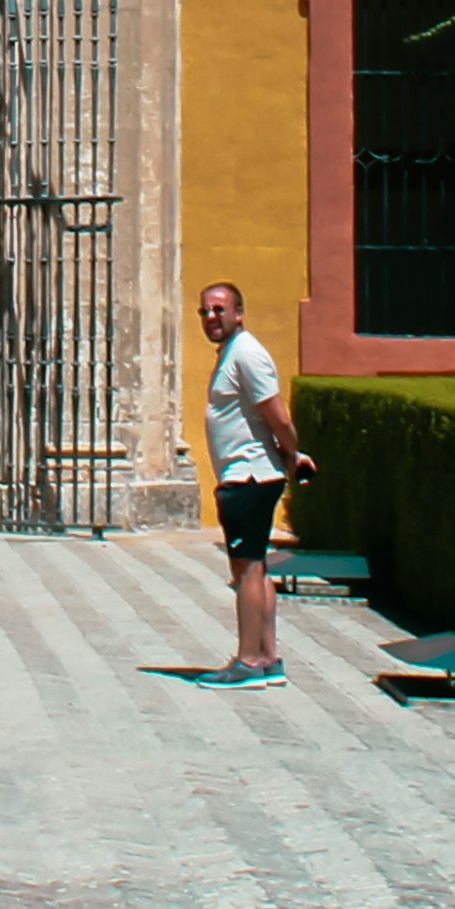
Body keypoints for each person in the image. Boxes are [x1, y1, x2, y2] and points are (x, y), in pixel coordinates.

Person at [190, 281, 307, 688]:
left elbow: (278, 416)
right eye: (205, 311)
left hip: (250, 477)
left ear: (239, 313)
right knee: (256, 568)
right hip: (246, 476)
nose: (211, 317)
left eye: (219, 310)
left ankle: (249, 661)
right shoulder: (232, 353)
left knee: (248, 572)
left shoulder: (247, 354)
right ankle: (269, 658)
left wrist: (293, 453)